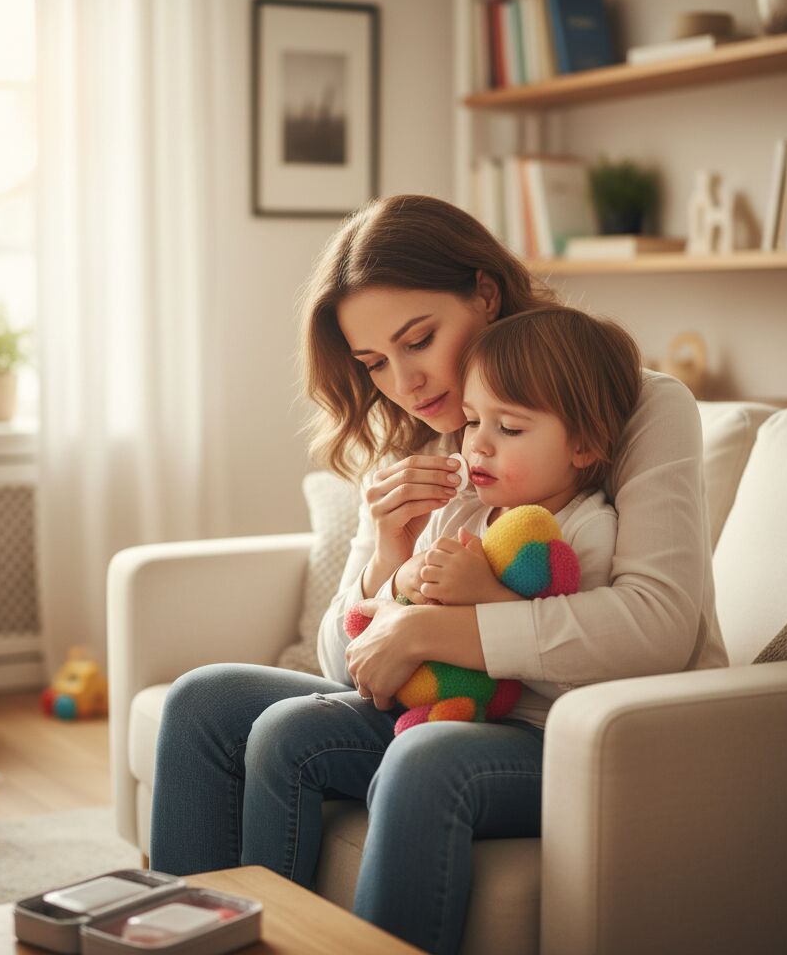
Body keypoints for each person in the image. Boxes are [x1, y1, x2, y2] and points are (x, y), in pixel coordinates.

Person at [150, 195, 728, 955]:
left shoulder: (635, 404)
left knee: (421, 758)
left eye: (419, 340)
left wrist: (436, 625)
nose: (407, 383)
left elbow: (656, 622)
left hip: (594, 725)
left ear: (484, 295)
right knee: (204, 701)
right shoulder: (422, 442)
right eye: (374, 364)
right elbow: (346, 665)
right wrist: (388, 565)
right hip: (455, 704)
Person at [367, 306, 641, 730]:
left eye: (509, 428)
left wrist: (484, 595)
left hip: (535, 730)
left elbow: (586, 669)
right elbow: (383, 634)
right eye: (473, 420)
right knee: (281, 722)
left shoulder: (588, 529)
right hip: (424, 710)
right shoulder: (456, 511)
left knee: (426, 753)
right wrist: (405, 577)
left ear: (583, 445)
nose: (478, 445)